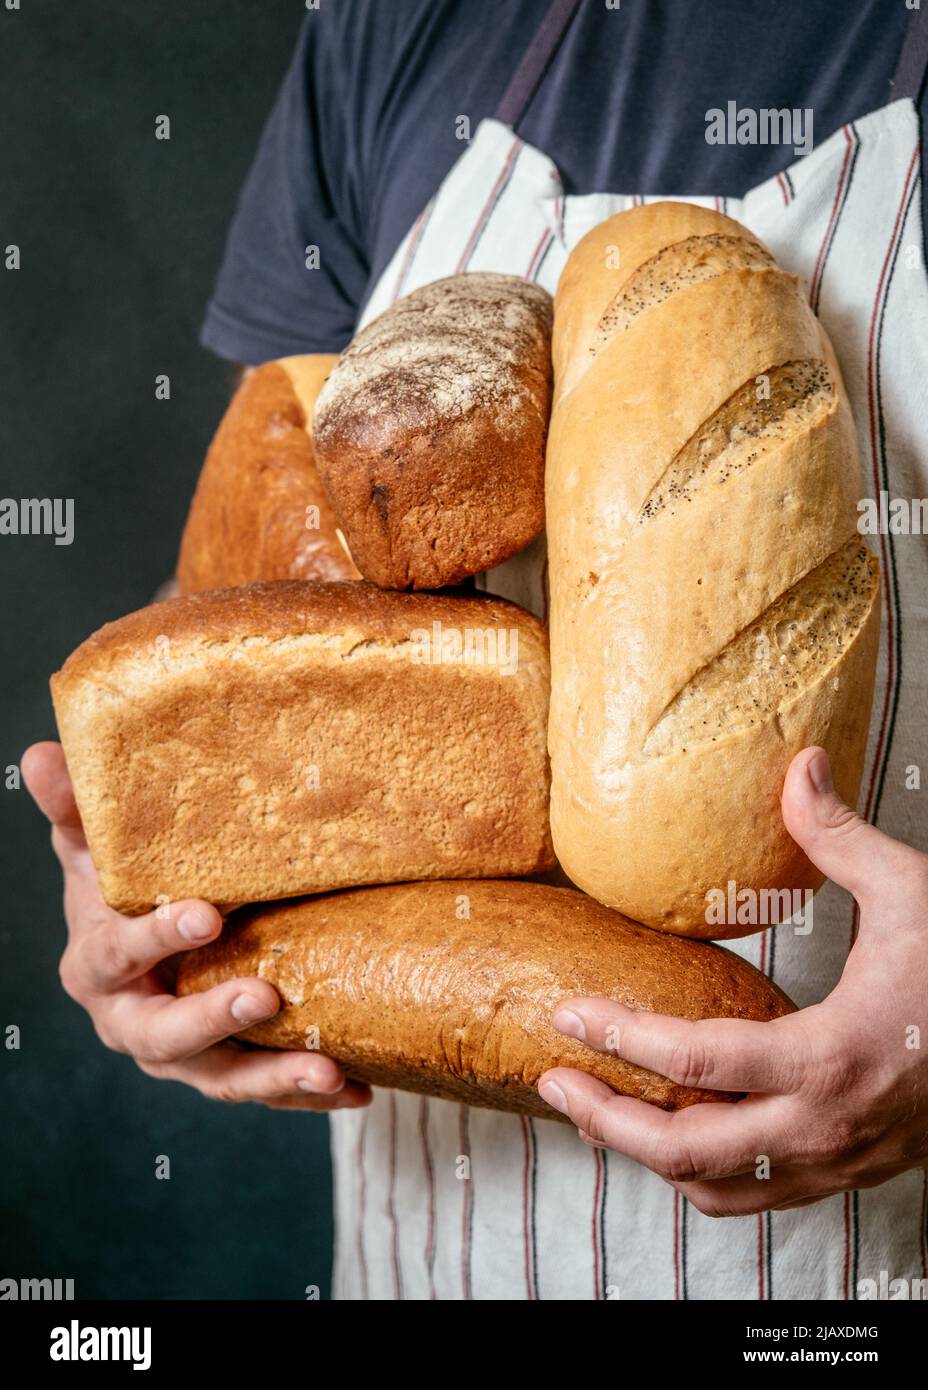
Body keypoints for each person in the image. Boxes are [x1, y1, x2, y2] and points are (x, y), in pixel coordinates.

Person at [25, 1, 928, 1300]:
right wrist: (147, 868)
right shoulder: (394, 25)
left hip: (866, 1262)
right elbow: (254, 571)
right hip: (432, 1246)